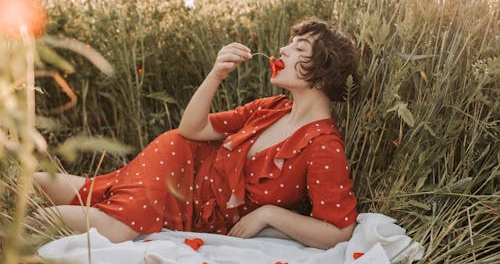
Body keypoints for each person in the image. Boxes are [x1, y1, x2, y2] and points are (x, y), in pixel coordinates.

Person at [33, 17, 360, 249]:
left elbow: (339, 231)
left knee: (89, 192)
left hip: (191, 203)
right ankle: (18, 226)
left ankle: (19, 191)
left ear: (322, 75)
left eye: (299, 48)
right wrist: (216, 75)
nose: (283, 50)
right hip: (179, 163)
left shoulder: (322, 145)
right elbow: (193, 129)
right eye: (289, 43)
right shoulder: (272, 107)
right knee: (117, 228)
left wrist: (268, 213)